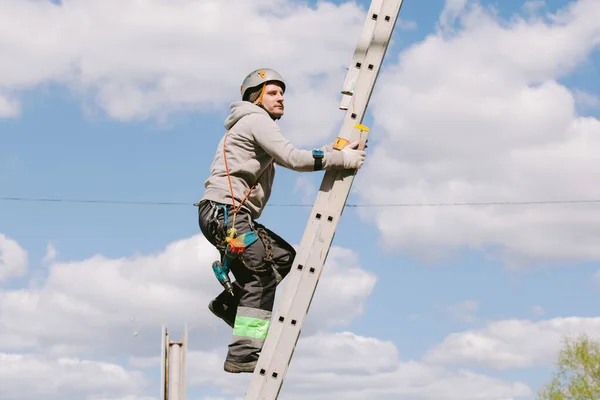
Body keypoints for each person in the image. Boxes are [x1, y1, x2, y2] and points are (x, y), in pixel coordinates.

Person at [196, 68, 366, 374]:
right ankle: (243, 354)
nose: (281, 98)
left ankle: (229, 304)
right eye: (272, 92)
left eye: (281, 92)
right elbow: (293, 158)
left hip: (223, 215)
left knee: (283, 258)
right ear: (255, 97)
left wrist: (333, 152)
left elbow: (292, 155)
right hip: (226, 214)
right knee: (261, 274)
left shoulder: (252, 124)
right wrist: (341, 159)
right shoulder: (255, 120)